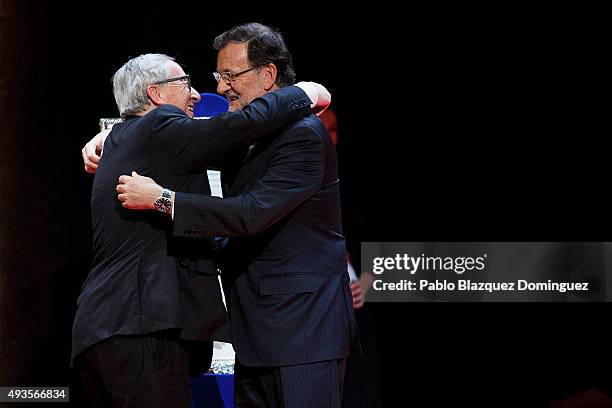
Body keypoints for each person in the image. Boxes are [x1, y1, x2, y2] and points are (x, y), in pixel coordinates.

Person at [115, 23, 360, 408]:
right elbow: (172, 136)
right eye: (218, 76)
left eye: (231, 76)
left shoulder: (303, 135)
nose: (220, 88)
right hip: (253, 334)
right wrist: (105, 140)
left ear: (268, 75)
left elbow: (251, 213)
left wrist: (164, 200)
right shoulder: (243, 137)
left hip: (303, 334)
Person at [74, 52, 328, 407]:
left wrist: (164, 199)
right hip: (141, 328)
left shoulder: (122, 140)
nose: (197, 95)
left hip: (105, 333)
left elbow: (192, 230)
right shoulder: (162, 125)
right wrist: (307, 92)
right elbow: (242, 126)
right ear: (156, 94)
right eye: (186, 84)